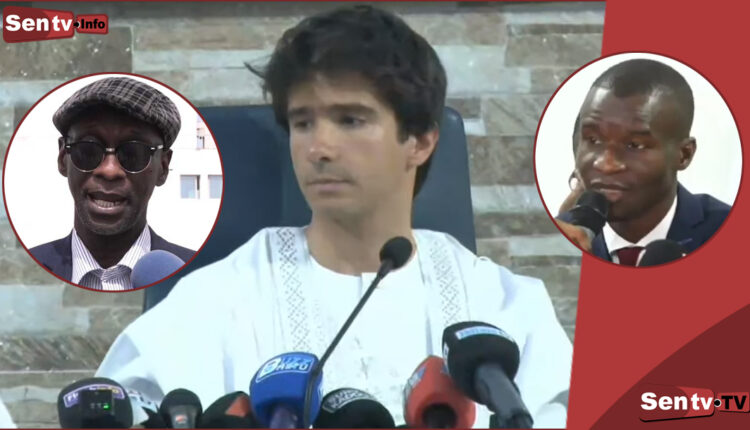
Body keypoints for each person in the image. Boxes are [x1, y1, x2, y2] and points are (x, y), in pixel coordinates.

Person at [95, 6, 572, 427]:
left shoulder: (507, 308)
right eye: (303, 122)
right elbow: (122, 407)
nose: (318, 148)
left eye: (350, 119)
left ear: (421, 140)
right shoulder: (211, 303)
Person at [556, 59, 731, 265]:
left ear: (683, 155)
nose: (606, 164)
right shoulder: (560, 237)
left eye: (634, 145)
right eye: (593, 140)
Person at [28, 77, 195, 290]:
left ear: (163, 167)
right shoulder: (19, 274)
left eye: (134, 153)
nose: (109, 170)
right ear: (63, 158)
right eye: (88, 150)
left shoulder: (196, 277)